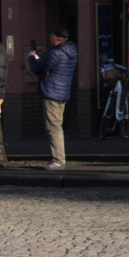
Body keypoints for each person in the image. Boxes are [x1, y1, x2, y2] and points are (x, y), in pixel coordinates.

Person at [28, 26, 77, 170]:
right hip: (63, 91)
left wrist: (32, 57)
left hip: (51, 91)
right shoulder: (71, 52)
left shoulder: (55, 53)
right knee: (57, 125)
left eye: (51, 37)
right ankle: (59, 159)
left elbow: (39, 69)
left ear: (56, 38)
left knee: (53, 127)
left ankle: (58, 160)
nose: (50, 39)